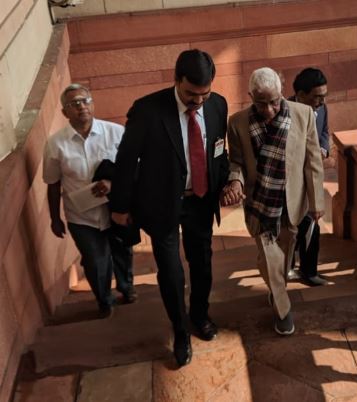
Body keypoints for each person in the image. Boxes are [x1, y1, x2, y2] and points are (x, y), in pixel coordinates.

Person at [109, 49, 229, 367]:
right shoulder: (148, 111)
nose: (198, 102)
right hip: (161, 204)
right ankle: (180, 332)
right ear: (176, 80)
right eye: (191, 94)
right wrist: (119, 206)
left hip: (201, 201)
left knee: (202, 264)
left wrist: (229, 181)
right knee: (173, 273)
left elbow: (218, 150)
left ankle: (199, 316)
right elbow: (124, 162)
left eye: (205, 94)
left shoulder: (218, 106)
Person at [222, 67, 325, 335]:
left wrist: (317, 202)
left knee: (285, 259)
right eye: (261, 103)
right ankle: (283, 310)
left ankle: (276, 287)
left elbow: (313, 161)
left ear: (281, 92)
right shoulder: (237, 123)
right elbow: (236, 162)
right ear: (250, 97)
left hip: (293, 202)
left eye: (274, 101)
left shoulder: (303, 115)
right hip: (260, 204)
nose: (268, 109)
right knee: (270, 259)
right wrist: (235, 181)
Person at [43, 84, 136, 319]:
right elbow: (52, 184)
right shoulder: (55, 144)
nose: (81, 106)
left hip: (116, 208)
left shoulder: (116, 132)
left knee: (122, 251)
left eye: (85, 100)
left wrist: (115, 185)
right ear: (65, 113)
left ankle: (126, 287)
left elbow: (135, 168)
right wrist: (55, 218)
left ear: (92, 105)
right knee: (96, 261)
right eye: (74, 104)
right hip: (81, 216)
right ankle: (104, 300)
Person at [287, 67, 330, 286]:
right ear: (300, 95)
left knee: (312, 224)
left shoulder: (322, 108)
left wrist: (322, 148)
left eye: (324, 96)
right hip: (291, 183)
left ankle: (309, 271)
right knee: (290, 230)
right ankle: (287, 268)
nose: (321, 102)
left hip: (311, 179)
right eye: (317, 97)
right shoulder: (283, 111)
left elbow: (324, 133)